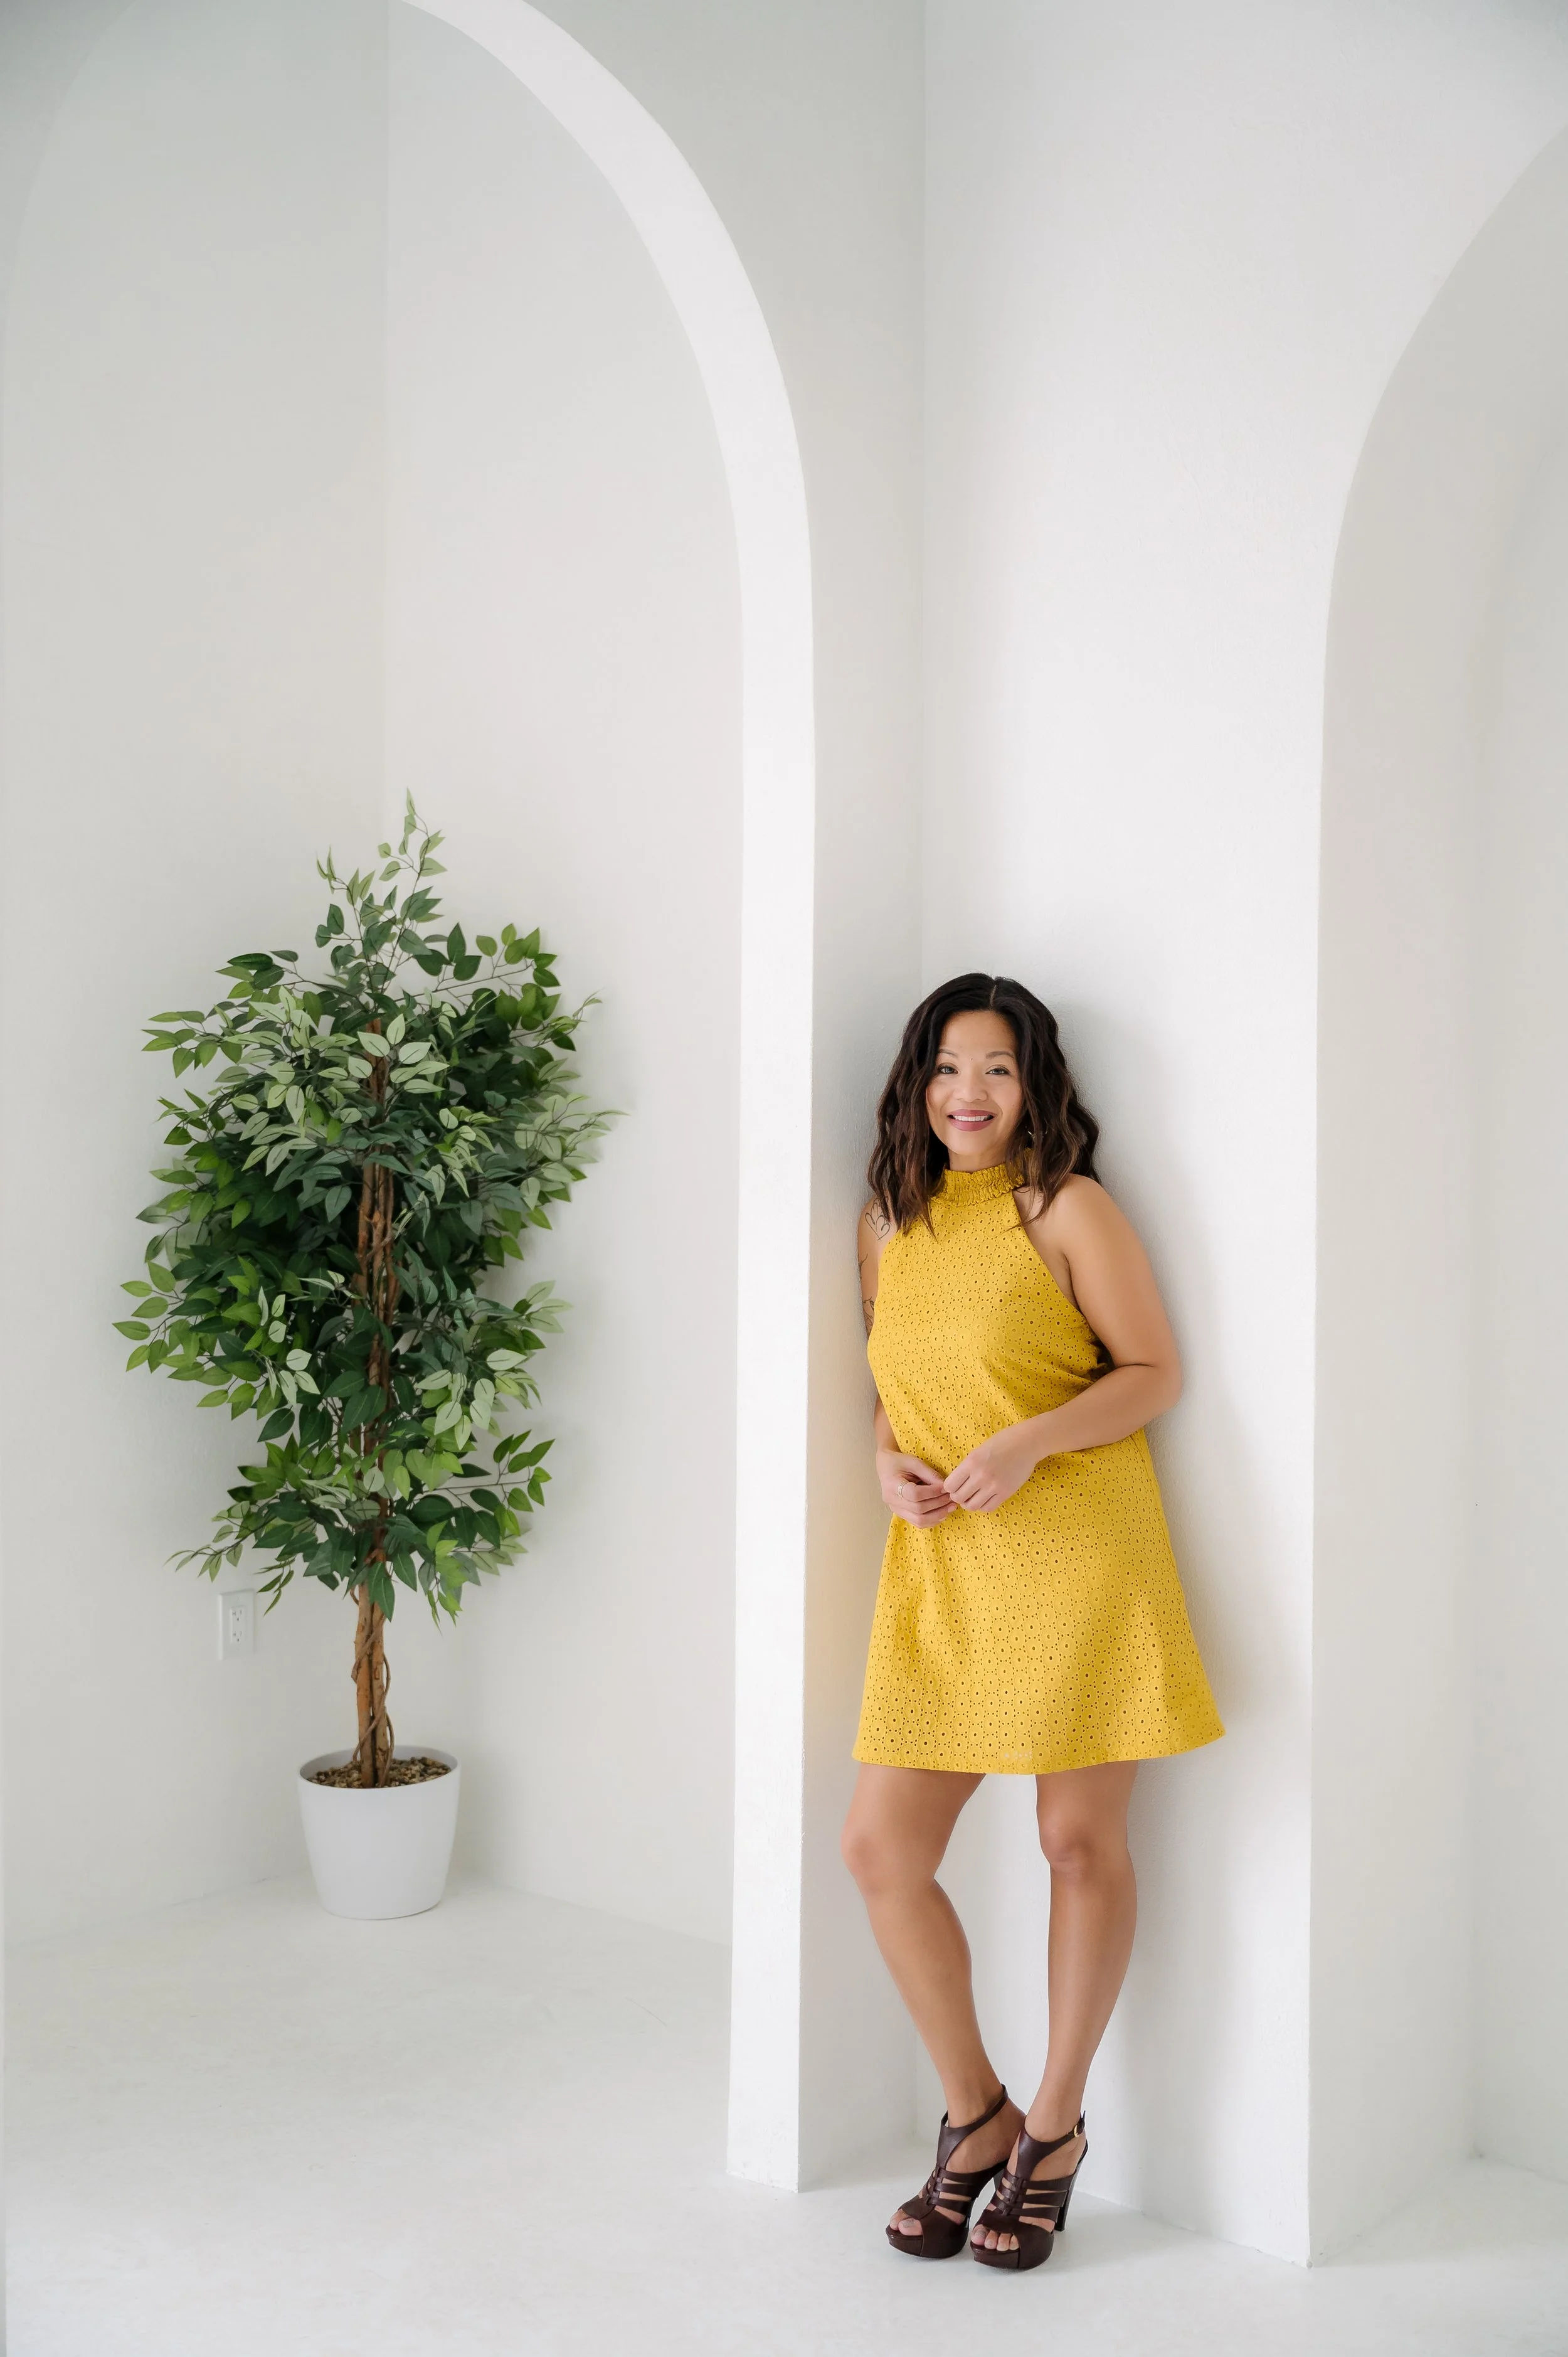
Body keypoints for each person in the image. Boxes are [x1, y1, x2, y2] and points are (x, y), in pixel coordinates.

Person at [842, 973, 1222, 2273]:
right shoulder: (884, 1225)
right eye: (949, 1068)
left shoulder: (1064, 1207)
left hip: (1077, 1552)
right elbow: (895, 1379)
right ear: (916, 1084)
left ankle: (1051, 2130)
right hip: (946, 1563)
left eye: (997, 1069)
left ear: (1033, 1084)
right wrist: (883, 1457)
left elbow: (1153, 1373)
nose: (970, 1094)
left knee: (1075, 1841)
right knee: (879, 1850)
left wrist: (1029, 1443)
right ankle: (977, 2115)